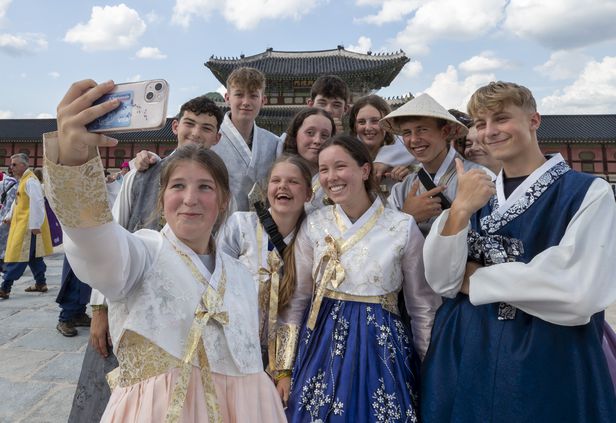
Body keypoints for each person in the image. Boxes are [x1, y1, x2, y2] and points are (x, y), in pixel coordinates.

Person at [43, 78, 287, 422]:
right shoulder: (144, 253)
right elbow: (95, 241)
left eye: (205, 187)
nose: (190, 199)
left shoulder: (240, 276)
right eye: (178, 186)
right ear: (163, 197)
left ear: (223, 200)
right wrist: (73, 161)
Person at [421, 81, 616, 422]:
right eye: (480, 124)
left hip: (551, 353)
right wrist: (460, 210)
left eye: (501, 119)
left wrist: (476, 279)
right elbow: (441, 280)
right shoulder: (475, 194)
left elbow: (576, 290)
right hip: (467, 348)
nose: (489, 131)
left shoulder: (586, 193)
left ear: (533, 120)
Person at [69, 94, 225, 422]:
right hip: (128, 304)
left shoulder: (220, 189)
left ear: (218, 138)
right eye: (190, 124)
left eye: (207, 128)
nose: (196, 133)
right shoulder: (141, 174)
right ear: (175, 126)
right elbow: (112, 233)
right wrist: (98, 308)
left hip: (183, 316)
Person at [282, 134, 441, 422]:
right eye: (324, 168)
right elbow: (298, 298)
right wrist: (283, 366)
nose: (331, 177)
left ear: (365, 170)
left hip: (381, 344)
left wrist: (427, 366)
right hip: (320, 340)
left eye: (340, 166)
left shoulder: (401, 226)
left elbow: (422, 306)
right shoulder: (315, 223)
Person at [217, 154, 313, 405]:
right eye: (276, 180)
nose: (282, 186)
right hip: (235, 348)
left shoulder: (313, 235)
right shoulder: (240, 225)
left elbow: (298, 307)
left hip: (290, 355)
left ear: (309, 194)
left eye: (293, 182)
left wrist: (284, 369)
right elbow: (214, 281)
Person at [381, 93, 489, 236]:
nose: (413, 140)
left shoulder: (479, 178)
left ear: (444, 132)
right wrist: (407, 215)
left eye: (422, 129)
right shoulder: (402, 188)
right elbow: (383, 236)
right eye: (407, 132)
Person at [211, 67, 281, 211]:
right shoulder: (211, 140)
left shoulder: (274, 142)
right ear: (227, 98)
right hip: (221, 225)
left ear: (263, 100)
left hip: (264, 226)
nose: (246, 102)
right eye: (239, 94)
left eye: (253, 96)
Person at [0, 153, 53, 299]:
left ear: (23, 165)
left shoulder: (30, 181)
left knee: (19, 256)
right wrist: (9, 216)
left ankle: (5, 288)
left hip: (28, 227)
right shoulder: (23, 180)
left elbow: (37, 203)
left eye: (14, 164)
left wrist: (35, 225)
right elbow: (19, 202)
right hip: (24, 224)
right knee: (33, 257)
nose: (11, 167)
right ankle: (40, 283)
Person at [349, 94, 411, 193]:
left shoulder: (406, 147)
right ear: (354, 126)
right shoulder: (347, 152)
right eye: (361, 122)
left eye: (375, 121)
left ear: (388, 123)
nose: (368, 128)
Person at [282, 107, 335, 213]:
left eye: (324, 135)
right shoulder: (279, 174)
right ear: (295, 134)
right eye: (310, 133)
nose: (317, 140)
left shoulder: (336, 178)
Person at [0, 169, 18, 272]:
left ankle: (4, 263)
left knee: (4, 239)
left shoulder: (5, 183)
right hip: (9, 215)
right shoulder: (15, 183)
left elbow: (10, 202)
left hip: (5, 215)